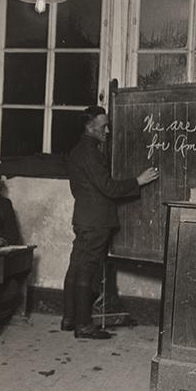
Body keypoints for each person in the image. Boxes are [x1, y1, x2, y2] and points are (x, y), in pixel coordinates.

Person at [66, 107, 159, 340]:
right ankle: (84, 326)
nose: (107, 130)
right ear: (89, 127)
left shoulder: (79, 151)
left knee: (77, 267)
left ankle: (70, 318)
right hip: (96, 221)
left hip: (85, 218)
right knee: (87, 272)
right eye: (103, 126)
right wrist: (138, 180)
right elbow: (108, 188)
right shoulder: (91, 153)